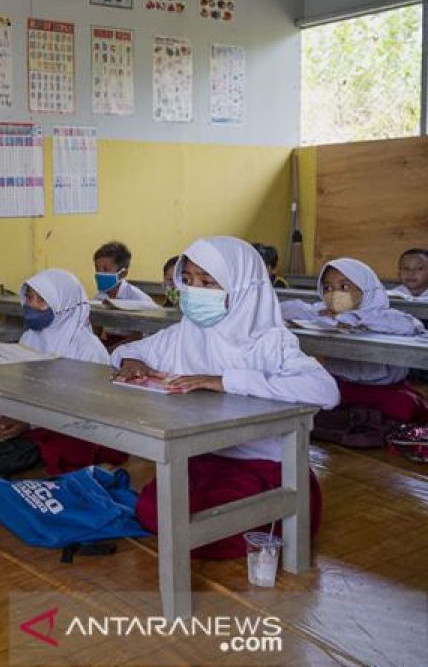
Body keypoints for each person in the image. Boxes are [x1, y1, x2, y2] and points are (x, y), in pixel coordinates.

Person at [111, 236, 339, 559]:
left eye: (207, 283)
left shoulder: (269, 341)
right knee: (151, 511)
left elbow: (325, 390)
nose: (193, 292)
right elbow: (124, 352)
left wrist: (226, 380)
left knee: (209, 529)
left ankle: (283, 514)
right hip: (205, 455)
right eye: (187, 281)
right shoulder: (185, 332)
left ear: (241, 286)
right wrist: (132, 363)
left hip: (263, 465)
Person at [0, 270, 127, 473]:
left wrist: (29, 422)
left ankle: (27, 447)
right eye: (29, 297)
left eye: (41, 300)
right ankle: (25, 446)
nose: (31, 305)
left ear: (63, 305)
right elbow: (21, 386)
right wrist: (11, 415)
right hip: (31, 415)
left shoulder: (87, 347)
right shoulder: (29, 337)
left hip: (68, 422)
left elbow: (90, 408)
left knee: (73, 443)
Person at [280, 258, 426, 423]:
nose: (334, 293)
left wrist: (354, 318)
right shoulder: (324, 312)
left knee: (404, 408)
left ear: (365, 289)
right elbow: (289, 309)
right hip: (341, 383)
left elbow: (410, 325)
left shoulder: (381, 314)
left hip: (384, 388)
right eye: (327, 288)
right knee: (306, 399)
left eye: (345, 287)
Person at [93, 241, 157, 305]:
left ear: (122, 274)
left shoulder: (140, 300)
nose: (99, 273)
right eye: (97, 268)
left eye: (105, 269)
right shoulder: (99, 297)